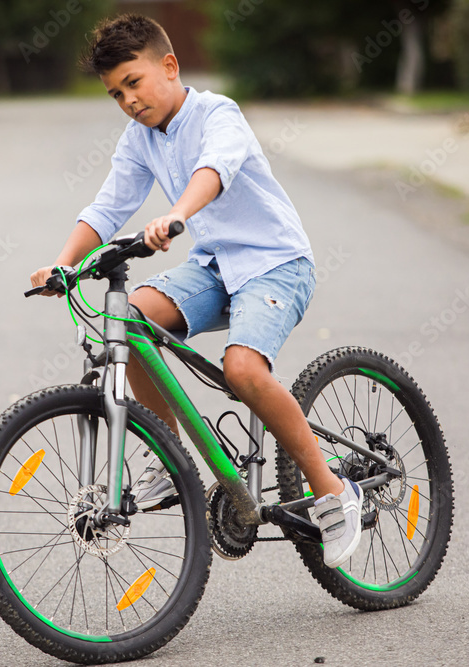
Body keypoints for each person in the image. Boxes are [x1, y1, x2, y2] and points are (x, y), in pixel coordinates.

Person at [29, 14, 362, 567]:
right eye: (115, 94)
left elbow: (215, 168)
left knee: (243, 372)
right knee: (127, 320)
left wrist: (177, 213)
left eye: (133, 83)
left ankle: (333, 491)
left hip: (276, 263)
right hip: (215, 267)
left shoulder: (217, 114)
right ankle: (171, 455)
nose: (128, 101)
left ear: (169, 66)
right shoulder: (139, 139)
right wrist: (61, 265)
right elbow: (109, 206)